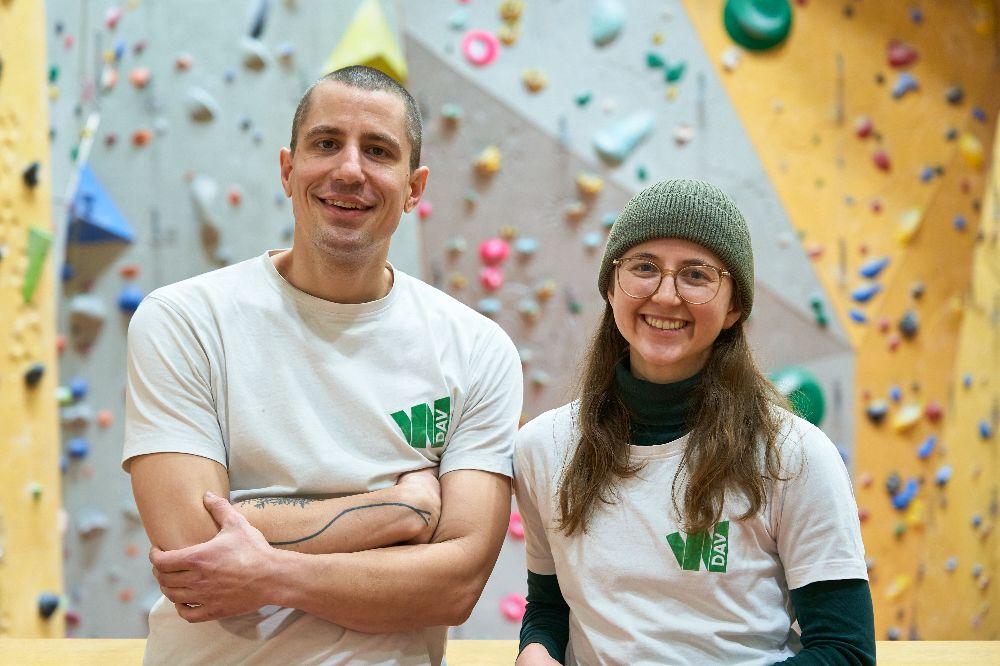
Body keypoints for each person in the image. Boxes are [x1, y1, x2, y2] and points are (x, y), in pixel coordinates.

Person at [123, 65, 523, 665]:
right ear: (288, 169)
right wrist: (400, 510)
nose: (349, 170)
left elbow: (456, 585)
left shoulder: (476, 349)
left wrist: (267, 570)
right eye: (327, 143)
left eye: (378, 151)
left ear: (414, 188)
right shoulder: (185, 320)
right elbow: (195, 550)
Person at [513, 178, 875, 665]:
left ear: (735, 307)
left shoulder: (796, 455)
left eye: (696, 275)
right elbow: (550, 608)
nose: (665, 295)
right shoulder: (542, 447)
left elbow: (845, 652)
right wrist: (536, 649)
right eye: (643, 267)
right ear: (610, 286)